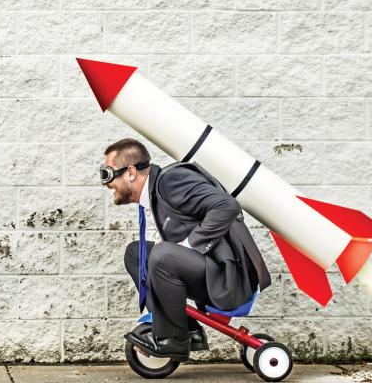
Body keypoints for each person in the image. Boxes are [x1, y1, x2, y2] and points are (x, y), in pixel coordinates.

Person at [101, 137, 271, 358]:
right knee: (137, 253)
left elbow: (226, 206)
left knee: (163, 255)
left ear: (131, 172)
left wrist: (190, 245)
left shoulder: (171, 180)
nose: (106, 183)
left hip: (229, 279)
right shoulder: (157, 193)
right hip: (210, 272)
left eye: (108, 174)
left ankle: (173, 339)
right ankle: (188, 330)